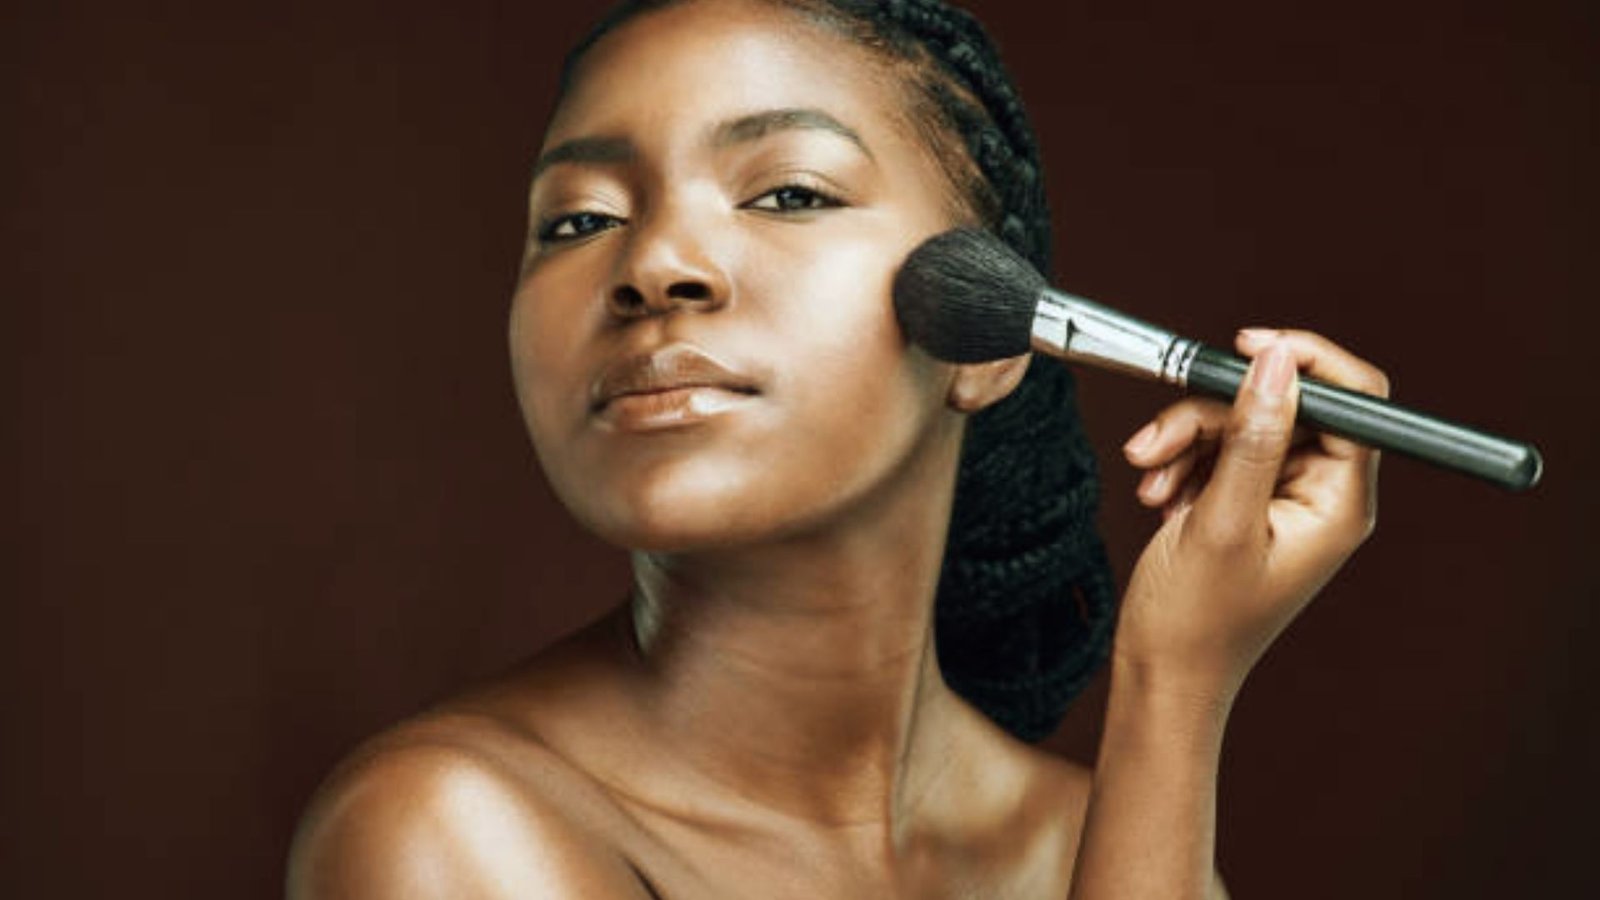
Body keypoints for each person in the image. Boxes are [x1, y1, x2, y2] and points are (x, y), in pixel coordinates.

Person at [287, 0, 1388, 896]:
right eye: (577, 219)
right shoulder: (446, 831)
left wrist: (1175, 690)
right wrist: (1173, 695)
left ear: (989, 337)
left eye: (789, 192)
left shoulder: (1086, 838)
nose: (655, 263)